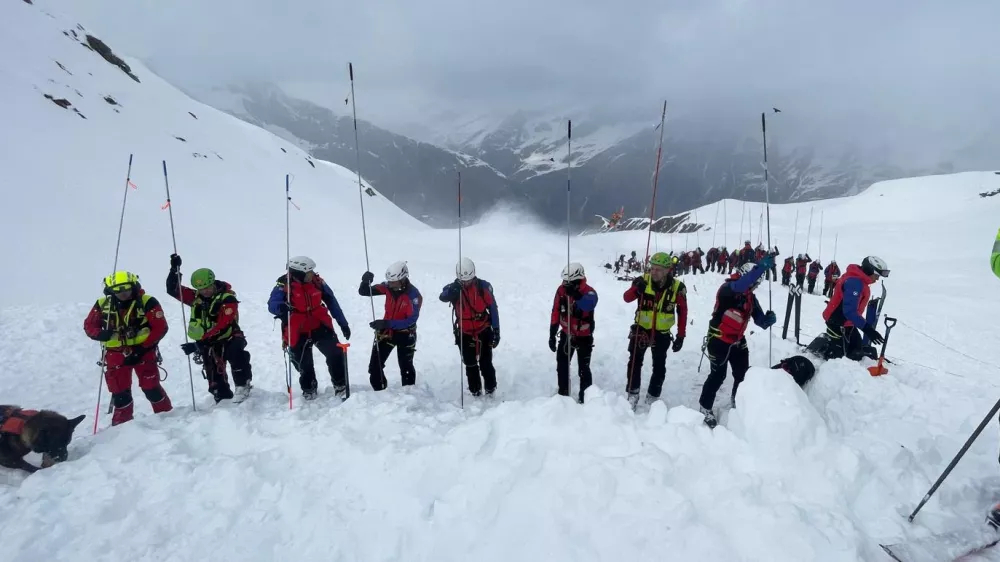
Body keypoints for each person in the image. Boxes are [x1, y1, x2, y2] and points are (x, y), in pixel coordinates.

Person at [83, 271, 172, 425]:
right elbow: (89, 325)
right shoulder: (103, 304)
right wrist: (100, 334)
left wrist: (142, 349)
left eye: (126, 288)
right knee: (120, 393)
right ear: (110, 290)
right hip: (116, 354)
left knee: (151, 388)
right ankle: (121, 427)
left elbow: (160, 327)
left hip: (144, 351)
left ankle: (168, 418)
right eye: (118, 289)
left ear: (134, 286)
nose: (123, 293)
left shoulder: (147, 301)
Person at [697, 256, 777, 428]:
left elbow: (760, 321)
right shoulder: (728, 289)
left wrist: (768, 320)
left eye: (757, 284)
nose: (755, 286)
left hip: (738, 341)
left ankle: (737, 401)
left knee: (742, 375)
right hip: (718, 339)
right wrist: (761, 268)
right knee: (718, 375)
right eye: (754, 282)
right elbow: (740, 285)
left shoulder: (750, 298)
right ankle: (705, 406)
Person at [168, 255, 253, 403]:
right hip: (207, 342)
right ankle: (221, 397)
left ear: (213, 283)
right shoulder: (196, 298)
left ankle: (243, 385)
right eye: (201, 289)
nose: (205, 291)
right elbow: (173, 290)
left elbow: (223, 324)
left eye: (207, 287)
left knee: (236, 353)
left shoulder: (227, 299)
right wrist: (174, 270)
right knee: (213, 375)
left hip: (229, 336)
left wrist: (198, 345)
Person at [268, 256, 351, 401]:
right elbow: (272, 304)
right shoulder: (283, 284)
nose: (312, 274)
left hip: (319, 323)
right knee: (303, 362)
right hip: (297, 328)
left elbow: (332, 301)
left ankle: (340, 385)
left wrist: (343, 323)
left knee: (335, 353)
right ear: (299, 273)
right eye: (308, 272)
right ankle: (309, 388)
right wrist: (281, 307)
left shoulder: (317, 282)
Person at [623, 252, 687, 409]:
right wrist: (637, 290)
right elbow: (626, 298)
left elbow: (683, 311)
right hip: (641, 329)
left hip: (662, 333)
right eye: (652, 268)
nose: (653, 272)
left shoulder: (678, 288)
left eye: (658, 269)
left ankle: (653, 395)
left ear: (667, 270)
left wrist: (681, 335)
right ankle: (633, 392)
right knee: (634, 362)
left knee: (659, 365)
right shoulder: (642, 281)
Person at [440, 258, 500, 397]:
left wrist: (496, 331)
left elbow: (493, 308)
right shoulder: (454, 288)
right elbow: (442, 296)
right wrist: (452, 291)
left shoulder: (483, 287)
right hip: (464, 331)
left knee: (486, 363)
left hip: (483, 329)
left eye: (469, 280)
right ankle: (475, 391)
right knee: (470, 363)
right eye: (464, 280)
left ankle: (491, 389)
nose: (467, 283)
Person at [359, 261, 422, 390]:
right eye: (389, 281)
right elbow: (365, 291)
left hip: (406, 334)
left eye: (394, 281)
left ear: (403, 279)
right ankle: (380, 392)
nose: (390, 284)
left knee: (406, 366)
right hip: (387, 332)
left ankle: (409, 395)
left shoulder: (414, 296)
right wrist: (365, 281)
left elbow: (411, 320)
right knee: (375, 366)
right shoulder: (387, 287)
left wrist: (387, 323)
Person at [820, 256, 888, 361]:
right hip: (837, 322)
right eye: (877, 275)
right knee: (837, 358)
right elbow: (849, 311)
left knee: (856, 351)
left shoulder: (859, 280)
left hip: (848, 323)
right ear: (869, 270)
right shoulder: (855, 283)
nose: (877, 279)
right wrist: (868, 329)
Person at [549, 263, 598, 402]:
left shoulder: (590, 292)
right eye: (564, 281)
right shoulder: (561, 291)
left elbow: (589, 304)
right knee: (562, 365)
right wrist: (552, 333)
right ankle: (563, 394)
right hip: (566, 335)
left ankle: (586, 397)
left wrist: (576, 295)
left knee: (584, 368)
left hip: (584, 337)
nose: (564, 283)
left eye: (567, 281)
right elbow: (556, 311)